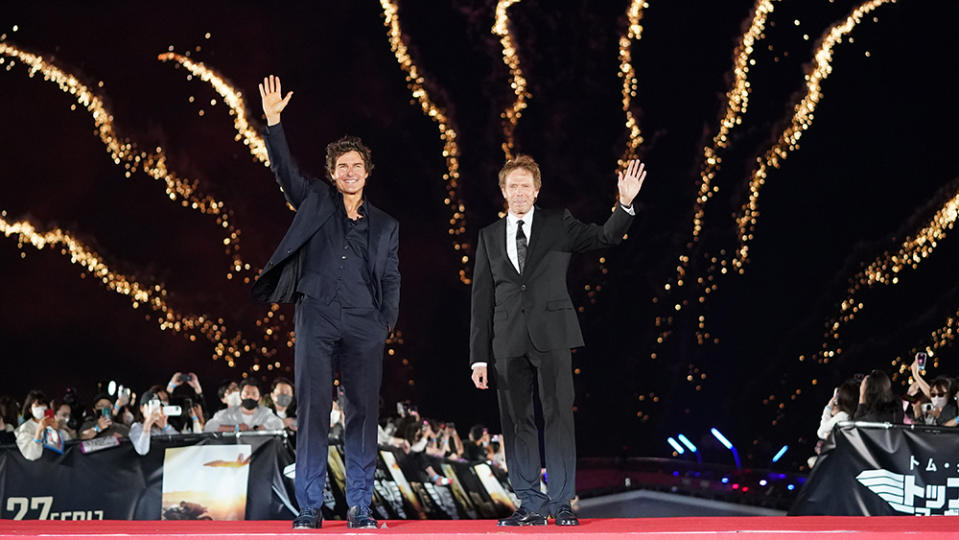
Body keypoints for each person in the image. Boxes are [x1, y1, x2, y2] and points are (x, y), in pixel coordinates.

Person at [251, 75, 400, 530]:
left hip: (364, 324)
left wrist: (384, 324)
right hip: (315, 316)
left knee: (362, 413)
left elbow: (392, 276)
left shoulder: (387, 224)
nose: (349, 172)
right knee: (313, 411)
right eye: (342, 166)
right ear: (332, 172)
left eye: (357, 166)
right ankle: (309, 509)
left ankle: (360, 508)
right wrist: (274, 122)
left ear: (367, 172)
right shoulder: (314, 199)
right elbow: (284, 173)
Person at [469, 154, 646, 527]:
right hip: (506, 342)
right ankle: (530, 503)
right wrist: (478, 358)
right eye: (512, 186)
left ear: (536, 190)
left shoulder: (557, 223)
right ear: (503, 191)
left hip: (552, 335)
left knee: (559, 418)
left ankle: (562, 502)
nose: (519, 192)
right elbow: (481, 299)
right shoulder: (488, 236)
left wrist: (624, 204)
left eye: (525, 186)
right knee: (518, 422)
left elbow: (604, 236)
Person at [203, 378, 284, 432]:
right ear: (240, 396)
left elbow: (279, 424)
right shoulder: (228, 413)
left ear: (259, 398)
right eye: (246, 394)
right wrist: (235, 428)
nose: (250, 397)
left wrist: (261, 427)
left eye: (254, 394)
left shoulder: (265, 413)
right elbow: (209, 427)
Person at [15, 390, 73, 461]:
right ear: (30, 409)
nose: (41, 407)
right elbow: (31, 454)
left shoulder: (51, 422)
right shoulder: (25, 427)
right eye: (37, 405)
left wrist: (57, 430)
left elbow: (69, 443)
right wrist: (39, 431)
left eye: (43, 404)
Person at [129, 390, 178, 455]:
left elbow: (179, 443)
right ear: (142, 408)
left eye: (157, 406)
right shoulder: (137, 427)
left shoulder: (161, 426)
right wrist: (148, 424)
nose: (154, 409)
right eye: (151, 405)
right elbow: (142, 450)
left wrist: (165, 427)